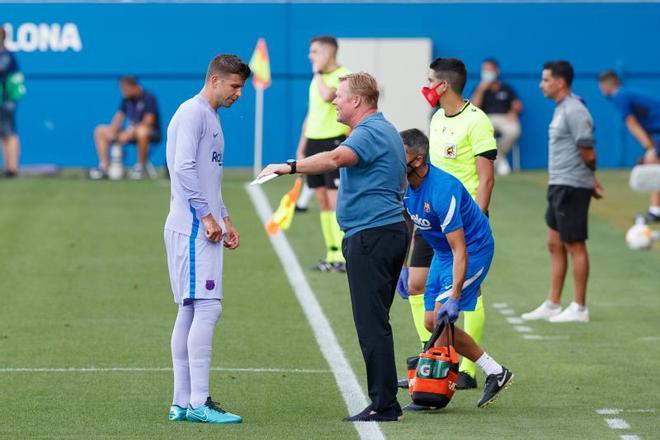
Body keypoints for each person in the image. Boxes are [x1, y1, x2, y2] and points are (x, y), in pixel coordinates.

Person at [258, 72, 408, 422]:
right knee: (376, 322)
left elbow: (336, 159)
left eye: (339, 96)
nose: (333, 101)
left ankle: (385, 404)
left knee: (371, 324)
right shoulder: (383, 130)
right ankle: (386, 400)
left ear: (357, 101)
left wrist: (288, 167)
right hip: (384, 231)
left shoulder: (369, 132)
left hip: (372, 236)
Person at [399, 57, 497, 395]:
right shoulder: (437, 118)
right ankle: (434, 356)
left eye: (429, 79)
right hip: (433, 219)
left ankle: (466, 368)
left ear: (443, 84)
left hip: (464, 224)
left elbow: (486, 179)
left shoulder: (477, 121)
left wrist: (477, 222)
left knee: (464, 294)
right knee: (414, 285)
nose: (425, 85)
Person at [164, 54, 250, 424]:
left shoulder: (209, 117)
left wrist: (225, 217)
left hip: (199, 224)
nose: (238, 94)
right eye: (234, 86)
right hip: (194, 227)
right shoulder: (193, 113)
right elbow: (182, 168)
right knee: (207, 307)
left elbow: (207, 178)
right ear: (215, 80)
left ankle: (181, 402)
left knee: (190, 307)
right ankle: (198, 401)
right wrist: (207, 216)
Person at [402, 128, 514, 409]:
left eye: (397, 153)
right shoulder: (402, 184)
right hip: (442, 252)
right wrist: (402, 266)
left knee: (442, 316)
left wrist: (453, 299)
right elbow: (405, 224)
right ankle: (496, 372)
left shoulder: (442, 190)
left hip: (473, 250)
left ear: (417, 160)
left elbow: (460, 249)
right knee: (431, 321)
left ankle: (431, 394)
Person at [522, 61, 602, 323]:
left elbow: (587, 150)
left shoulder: (575, 110)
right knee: (554, 243)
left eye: (545, 80)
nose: (541, 85)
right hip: (558, 184)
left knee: (574, 244)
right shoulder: (561, 109)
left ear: (560, 82)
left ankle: (579, 307)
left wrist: (590, 178)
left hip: (572, 186)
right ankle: (553, 303)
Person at [295, 35, 351, 272]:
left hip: (333, 142)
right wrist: (301, 147)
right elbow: (312, 114)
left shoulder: (344, 75)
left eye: (315, 51)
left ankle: (344, 256)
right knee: (321, 200)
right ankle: (331, 254)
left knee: (335, 200)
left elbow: (329, 96)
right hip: (314, 143)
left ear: (329, 53)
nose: (311, 56)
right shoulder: (315, 79)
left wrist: (317, 73)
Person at [598, 70, 660, 223]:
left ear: (606, 85)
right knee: (654, 165)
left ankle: (655, 211)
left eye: (601, 86)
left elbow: (631, 123)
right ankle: (656, 211)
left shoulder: (619, 96)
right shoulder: (626, 93)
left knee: (654, 164)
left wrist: (649, 148)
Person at [89, 76, 161, 180]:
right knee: (100, 130)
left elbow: (148, 122)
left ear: (133, 87)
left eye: (125, 89)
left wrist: (130, 133)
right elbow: (119, 117)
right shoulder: (126, 99)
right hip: (129, 132)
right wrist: (113, 131)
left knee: (142, 131)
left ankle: (140, 168)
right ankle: (104, 167)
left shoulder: (148, 97)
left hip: (149, 133)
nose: (123, 92)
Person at [471, 58, 523, 176]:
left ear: (496, 71)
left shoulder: (506, 88)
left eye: (489, 70)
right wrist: (481, 90)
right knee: (477, 132)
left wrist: (513, 112)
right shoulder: (479, 89)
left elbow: (518, 105)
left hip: (505, 118)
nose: (486, 73)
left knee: (514, 130)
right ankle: (498, 161)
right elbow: (473, 108)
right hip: (485, 119)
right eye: (484, 70)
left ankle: (498, 157)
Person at [0, 26, 24, 178]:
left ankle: (12, 168)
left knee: (9, 133)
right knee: (4, 134)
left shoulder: (6, 56)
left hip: (6, 101)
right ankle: (8, 167)